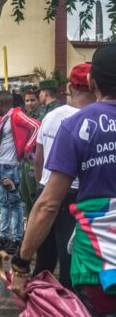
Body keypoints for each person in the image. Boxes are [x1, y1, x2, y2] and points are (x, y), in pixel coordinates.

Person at [13, 45, 116, 315]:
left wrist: (21, 263)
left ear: (92, 82)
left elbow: (48, 204)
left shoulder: (76, 126)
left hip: (96, 261)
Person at [30, 63, 95, 289]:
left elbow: (38, 158)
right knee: (69, 263)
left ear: (70, 87)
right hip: (74, 196)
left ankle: (37, 305)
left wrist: (42, 186)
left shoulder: (52, 116)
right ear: (94, 86)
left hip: (46, 190)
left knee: (44, 261)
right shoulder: (93, 119)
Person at [0, 90, 40, 254]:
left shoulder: (16, 115)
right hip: (2, 166)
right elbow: (1, 140)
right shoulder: (5, 118)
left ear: (2, 103)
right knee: (5, 203)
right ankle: (3, 237)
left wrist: (28, 147)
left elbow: (36, 126)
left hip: (12, 166)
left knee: (14, 203)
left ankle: (16, 238)